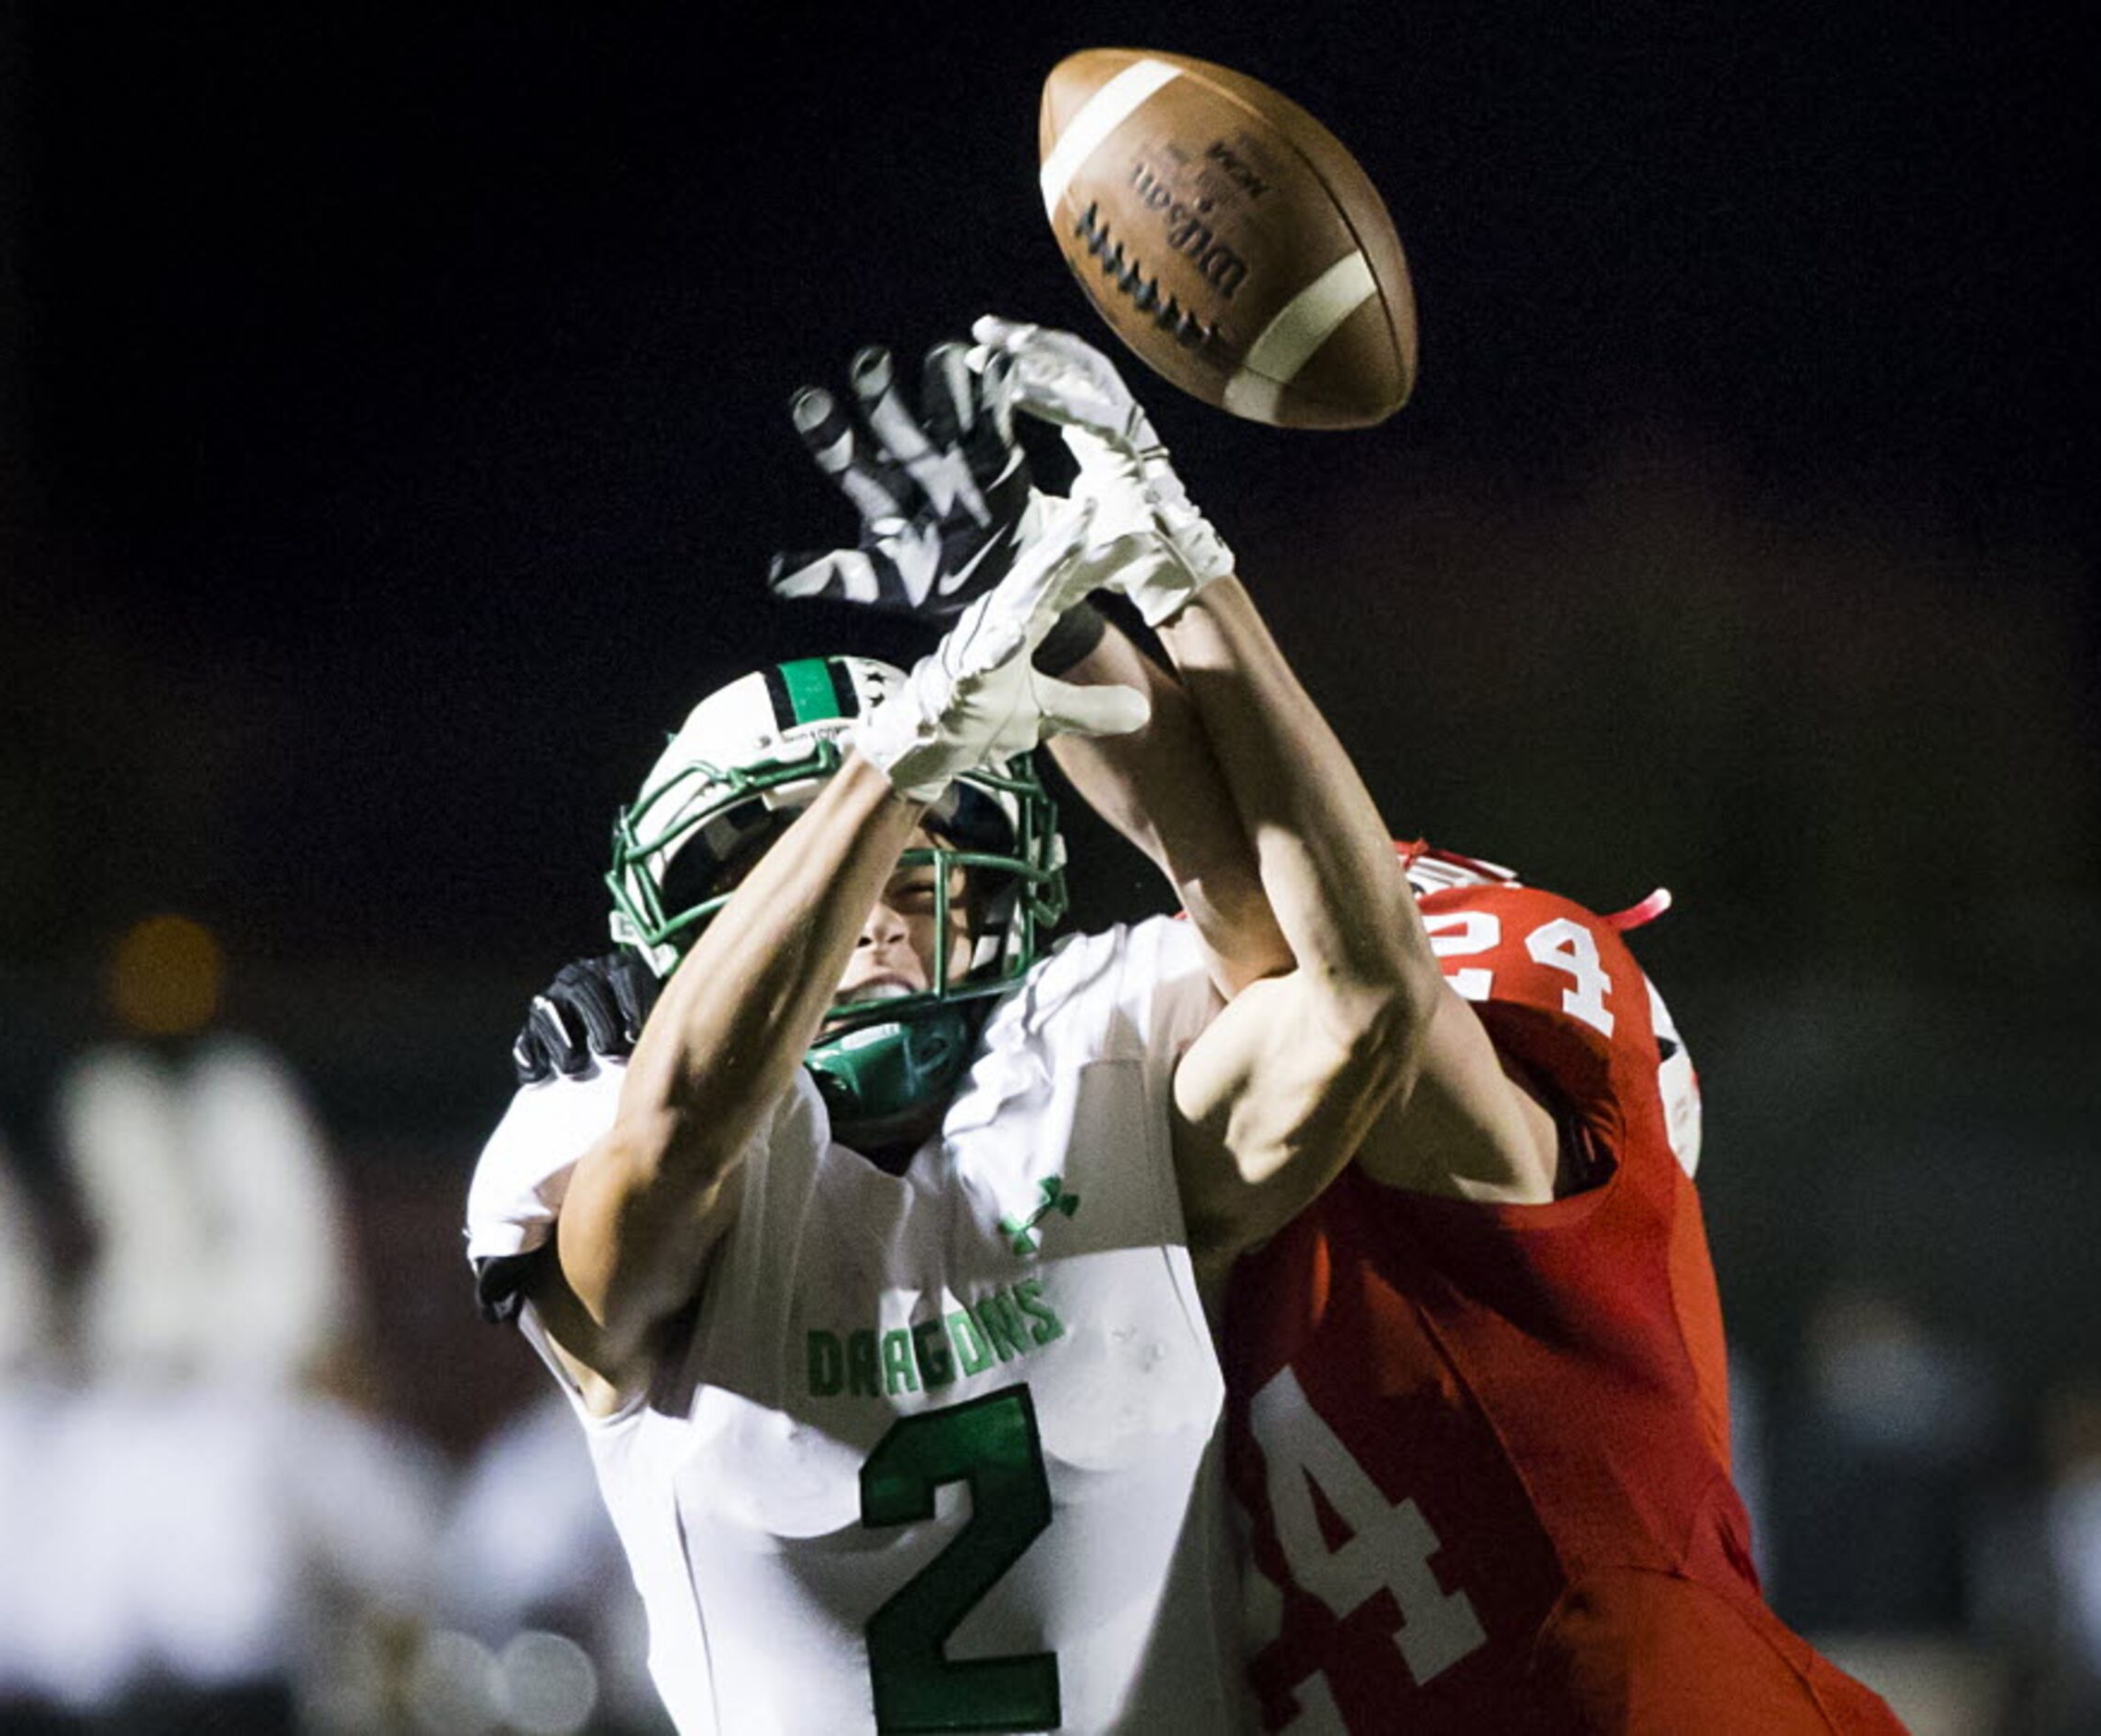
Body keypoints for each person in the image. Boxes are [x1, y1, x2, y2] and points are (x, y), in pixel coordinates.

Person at [776, 321, 1912, 1733]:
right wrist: (1027, 583)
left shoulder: (1506, 1180)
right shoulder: (1274, 1201)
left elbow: (1336, 956)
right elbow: (1238, 887)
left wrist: (1172, 554)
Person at [465, 328, 1439, 1734]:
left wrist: (1169, 568)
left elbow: (1361, 990)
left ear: (998, 889)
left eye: (918, 864)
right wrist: (905, 752)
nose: (869, 917)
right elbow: (673, 1137)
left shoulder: (1098, 1057)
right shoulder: (600, 1112)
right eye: (789, 869)